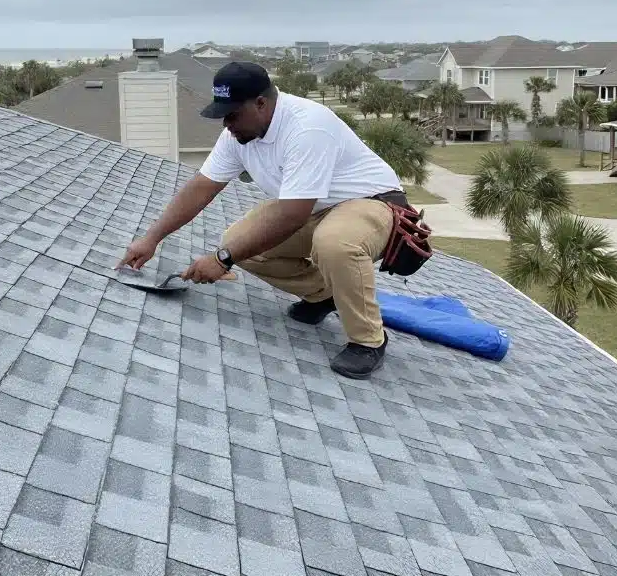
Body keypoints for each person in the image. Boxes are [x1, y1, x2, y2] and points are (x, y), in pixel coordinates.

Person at [118, 61, 406, 379]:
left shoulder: (307, 127)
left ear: (261, 103)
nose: (226, 124)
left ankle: (368, 341)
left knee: (334, 244)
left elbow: (293, 214)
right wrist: (151, 238)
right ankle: (324, 295)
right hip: (314, 209)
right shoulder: (239, 135)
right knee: (240, 240)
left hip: (371, 203)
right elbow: (200, 188)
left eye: (232, 115)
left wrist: (221, 260)